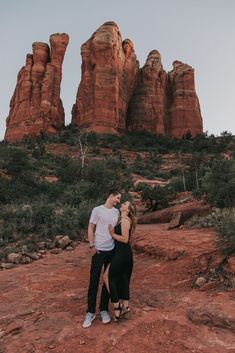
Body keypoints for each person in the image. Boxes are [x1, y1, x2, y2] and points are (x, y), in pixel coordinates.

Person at [82, 189, 121, 329]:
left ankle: (104, 310)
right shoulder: (97, 210)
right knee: (93, 281)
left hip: (112, 251)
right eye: (117, 198)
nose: (118, 201)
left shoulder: (117, 212)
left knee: (107, 281)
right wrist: (92, 245)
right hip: (98, 251)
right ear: (111, 196)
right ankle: (90, 312)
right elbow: (90, 228)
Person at [103, 200, 137, 321]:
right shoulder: (122, 220)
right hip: (123, 254)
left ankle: (117, 307)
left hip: (122, 254)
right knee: (122, 279)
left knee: (108, 277)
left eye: (124, 205)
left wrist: (112, 234)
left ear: (127, 210)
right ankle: (124, 307)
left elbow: (124, 239)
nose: (122, 205)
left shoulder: (125, 220)